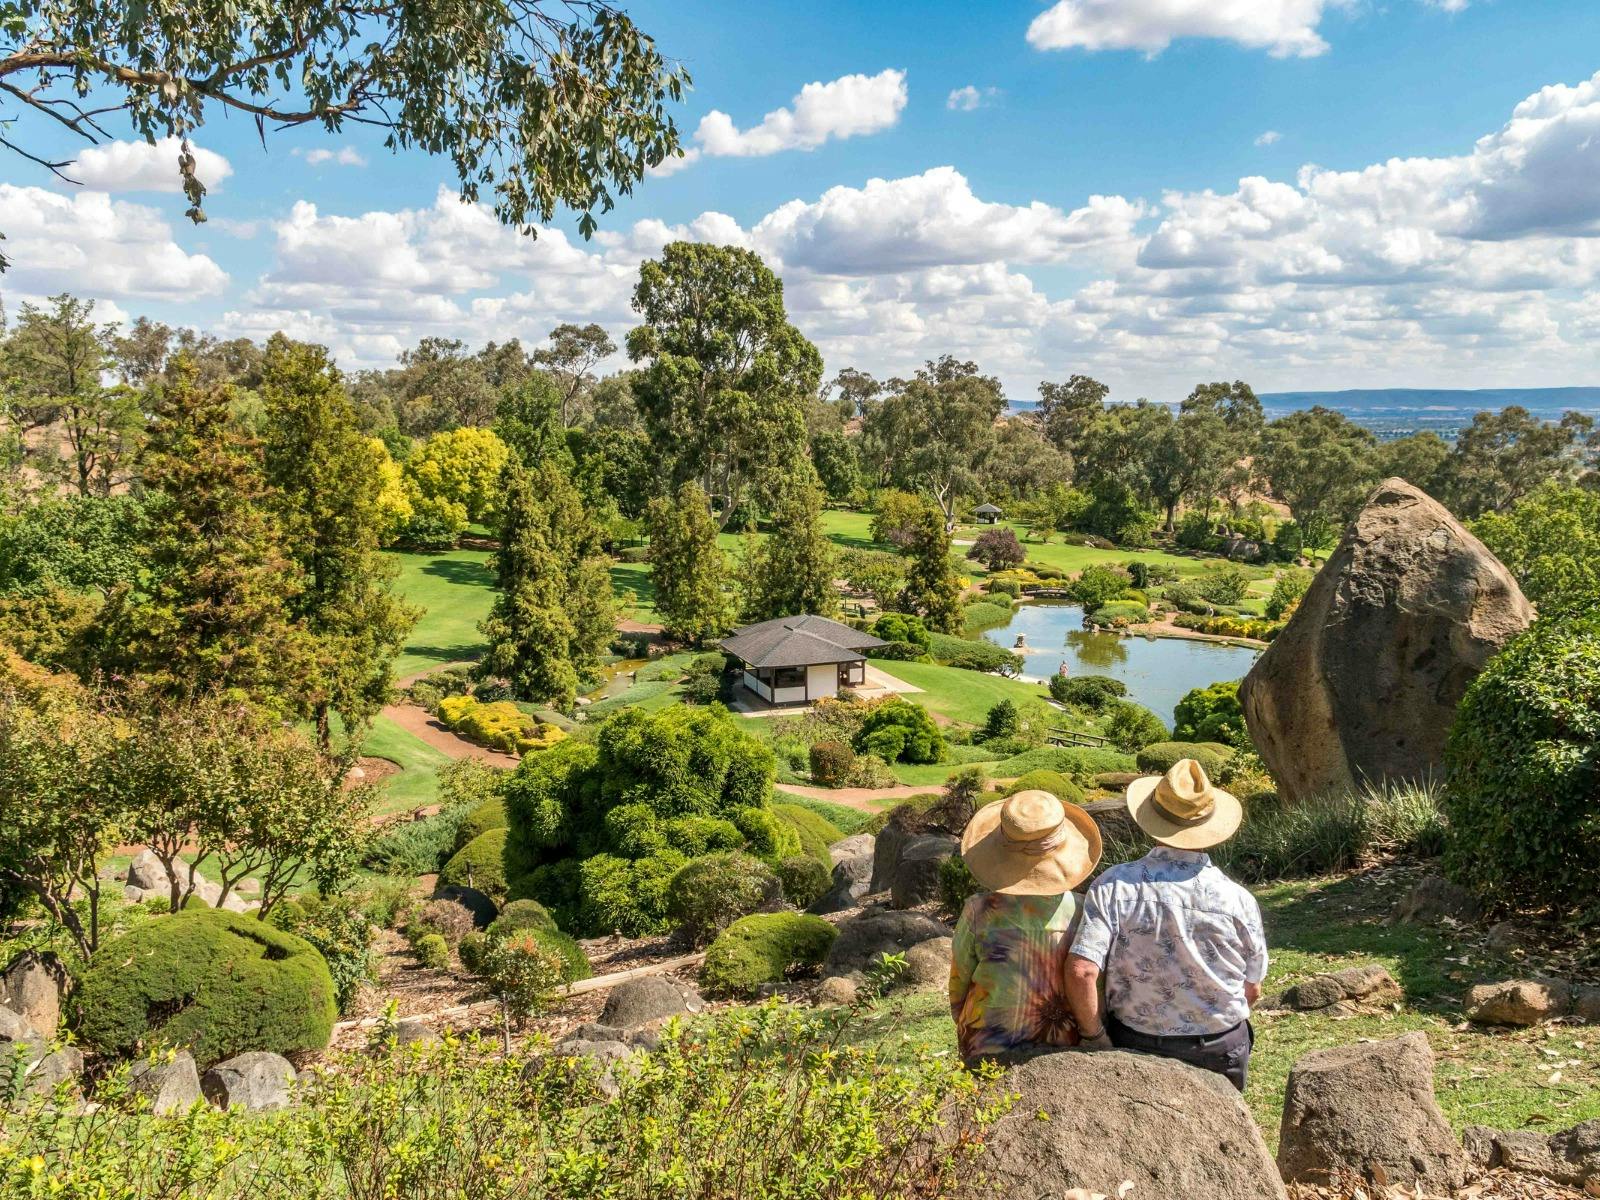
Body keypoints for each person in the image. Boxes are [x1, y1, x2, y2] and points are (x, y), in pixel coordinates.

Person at [1065, 758, 1268, 1091]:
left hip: (1137, 1043)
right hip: (1220, 1047)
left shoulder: (1114, 886)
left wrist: (1094, 1035)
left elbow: (1082, 971)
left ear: (1151, 821)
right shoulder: (1239, 900)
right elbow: (1253, 988)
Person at [948, 788, 1103, 1065]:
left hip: (987, 1040)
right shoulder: (1081, 910)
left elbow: (959, 984)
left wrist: (965, 1022)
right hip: (1060, 1039)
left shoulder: (978, 910)